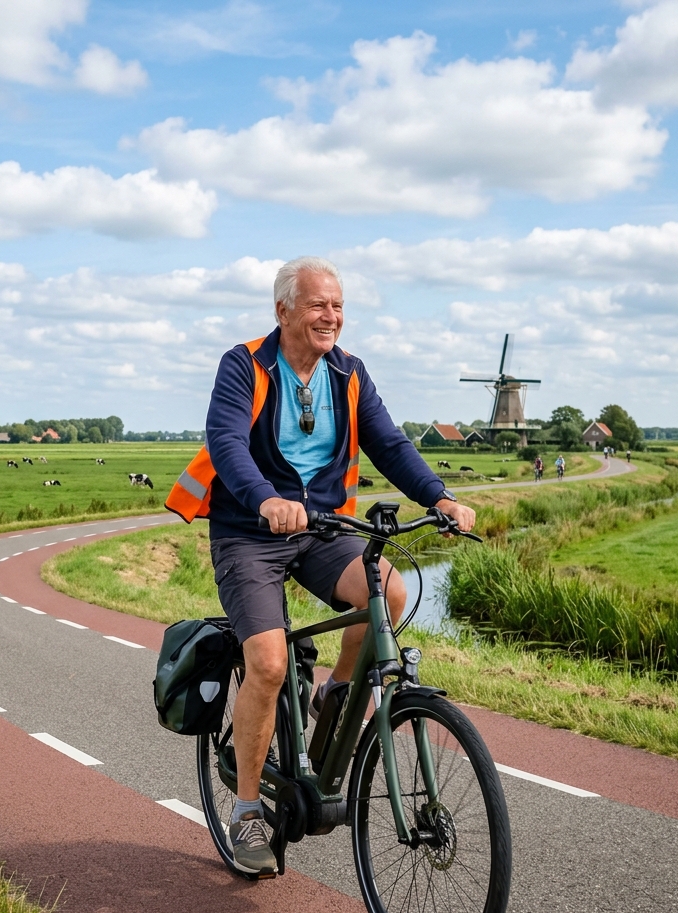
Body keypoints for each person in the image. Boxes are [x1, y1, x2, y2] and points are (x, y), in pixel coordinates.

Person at [165, 256, 476, 876]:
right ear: (283, 311)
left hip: (324, 530)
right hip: (251, 533)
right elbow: (226, 443)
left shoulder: (349, 373)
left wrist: (438, 496)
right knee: (270, 661)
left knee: (389, 592)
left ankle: (334, 694)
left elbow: (388, 441)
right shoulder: (244, 365)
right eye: (317, 305)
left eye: (336, 305)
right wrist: (266, 500)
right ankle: (248, 809)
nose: (330, 316)